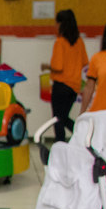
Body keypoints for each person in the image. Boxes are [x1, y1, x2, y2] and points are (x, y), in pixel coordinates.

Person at [41, 9, 88, 142]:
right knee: (63, 117)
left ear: (61, 24)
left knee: (57, 119)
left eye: (56, 23)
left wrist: (47, 67)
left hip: (61, 86)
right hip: (74, 87)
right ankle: (81, 137)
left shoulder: (60, 42)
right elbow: (85, 62)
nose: (55, 26)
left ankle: (60, 145)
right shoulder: (79, 41)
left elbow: (58, 67)